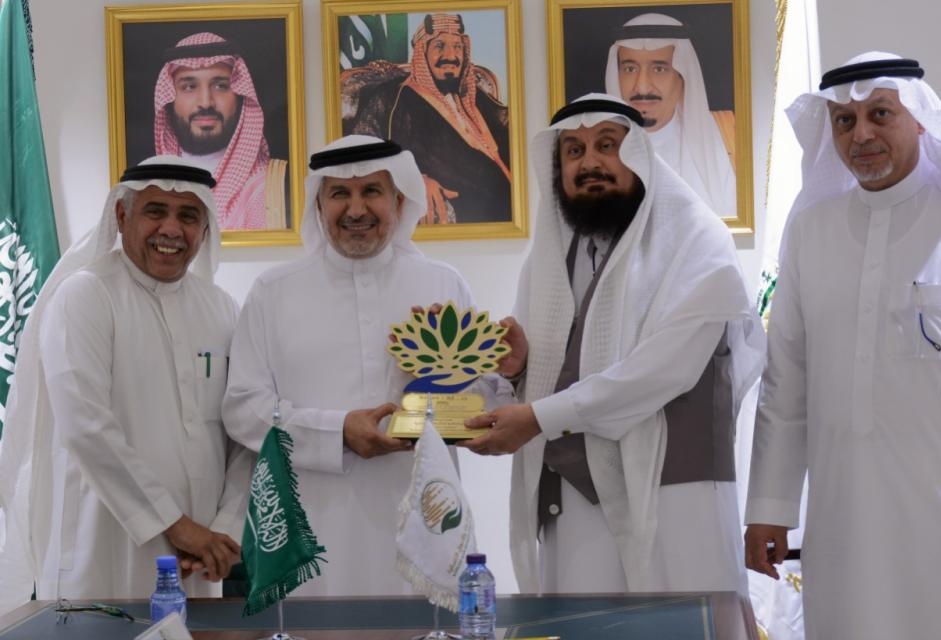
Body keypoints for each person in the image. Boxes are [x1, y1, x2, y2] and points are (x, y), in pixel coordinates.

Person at [461, 94, 764, 595]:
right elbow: (552, 375)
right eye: (573, 151)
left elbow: (665, 370)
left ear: (641, 157)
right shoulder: (547, 262)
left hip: (674, 501)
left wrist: (538, 418)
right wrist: (519, 370)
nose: (590, 163)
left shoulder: (696, 240)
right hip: (573, 506)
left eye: (607, 145)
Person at [744, 52, 941, 639]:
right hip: (843, 524)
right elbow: (787, 381)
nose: (861, 134)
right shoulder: (811, 230)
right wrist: (771, 507)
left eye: (879, 114)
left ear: (917, 120)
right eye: (843, 121)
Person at [222, 135, 512, 596]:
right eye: (340, 193)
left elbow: (480, 401)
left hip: (426, 521)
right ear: (319, 204)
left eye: (371, 191)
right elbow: (243, 408)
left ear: (399, 200)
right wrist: (338, 432)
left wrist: (488, 380)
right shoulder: (273, 292)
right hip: (314, 530)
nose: (356, 209)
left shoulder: (442, 283)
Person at [0, 157, 253, 606]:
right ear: (122, 216)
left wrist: (223, 531)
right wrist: (180, 528)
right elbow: (88, 428)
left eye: (188, 216)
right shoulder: (85, 296)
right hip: (104, 548)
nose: (172, 229)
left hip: (199, 561)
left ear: (205, 227)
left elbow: (242, 428)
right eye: (155, 211)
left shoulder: (222, 309)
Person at [347, 14, 511, 224]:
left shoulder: (476, 97)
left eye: (457, 47)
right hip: (464, 214)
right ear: (422, 54)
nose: (450, 55)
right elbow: (359, 156)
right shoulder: (391, 98)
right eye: (439, 45)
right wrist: (411, 180)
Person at [604, 13, 736, 218]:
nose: (642, 86)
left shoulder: (727, 137)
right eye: (630, 69)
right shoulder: (592, 152)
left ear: (682, 76)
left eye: (659, 68)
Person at [154, 31, 287, 231]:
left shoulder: (275, 184)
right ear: (169, 99)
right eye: (189, 87)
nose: (206, 102)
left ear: (241, 95)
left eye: (220, 86)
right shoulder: (147, 186)